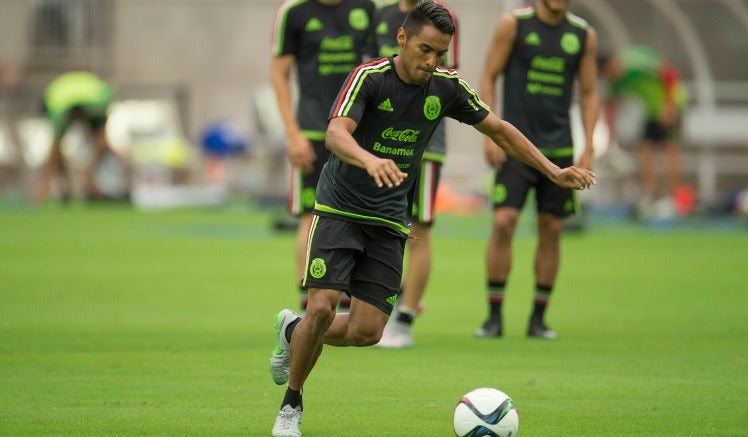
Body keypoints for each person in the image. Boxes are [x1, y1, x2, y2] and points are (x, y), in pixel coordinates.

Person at [268, 2, 596, 435]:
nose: (431, 61)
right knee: (325, 307)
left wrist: (552, 170)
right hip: (341, 208)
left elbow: (499, 129)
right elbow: (335, 133)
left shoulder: (446, 88)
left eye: (440, 54)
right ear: (402, 39)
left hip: (388, 219)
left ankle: (293, 331)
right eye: (424, 50)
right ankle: (291, 405)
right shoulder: (369, 77)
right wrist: (369, 161)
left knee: (368, 332)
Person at [473, 0, 600, 340]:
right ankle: (494, 317)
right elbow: (488, 76)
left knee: (552, 228)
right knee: (503, 222)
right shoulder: (513, 25)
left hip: (560, 149)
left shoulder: (583, 35)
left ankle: (538, 319)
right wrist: (490, 134)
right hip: (516, 147)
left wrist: (588, 145)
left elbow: (589, 93)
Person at [270, 0, 376, 313]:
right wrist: (292, 133)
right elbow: (279, 75)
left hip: (356, 134)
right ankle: (307, 307)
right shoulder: (294, 11)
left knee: (361, 219)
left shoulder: (367, 7)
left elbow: (380, 67)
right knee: (311, 218)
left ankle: (349, 303)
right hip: (312, 136)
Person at [370, 0, 458, 348]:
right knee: (379, 226)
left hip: (426, 145)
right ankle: (378, 311)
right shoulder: (380, 15)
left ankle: (405, 320)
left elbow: (448, 80)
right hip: (382, 143)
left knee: (418, 230)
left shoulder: (444, 20)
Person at [600, 45, 688, 219]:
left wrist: (669, 106)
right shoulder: (613, 82)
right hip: (652, 111)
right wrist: (608, 141)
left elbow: (669, 73)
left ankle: (674, 201)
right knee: (644, 149)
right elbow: (610, 108)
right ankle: (652, 196)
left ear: (613, 64)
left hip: (672, 102)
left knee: (670, 149)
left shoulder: (634, 62)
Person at [34, 70, 120, 203]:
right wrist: (46, 181)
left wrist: (89, 171)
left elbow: (102, 143)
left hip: (92, 98)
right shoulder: (58, 104)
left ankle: (87, 179)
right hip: (74, 99)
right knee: (57, 148)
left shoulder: (96, 100)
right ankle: (64, 183)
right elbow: (55, 149)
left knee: (99, 141)